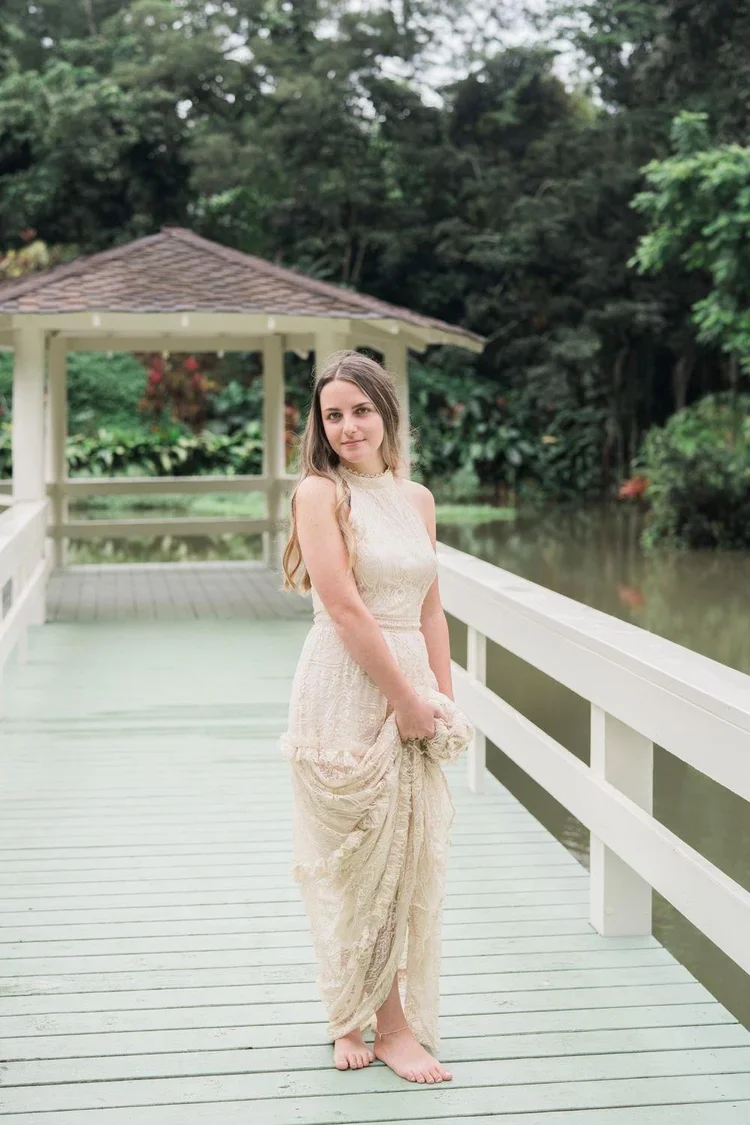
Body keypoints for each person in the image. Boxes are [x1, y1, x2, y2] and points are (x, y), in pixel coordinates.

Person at [280, 350, 472, 1084]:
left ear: (387, 414)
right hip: (348, 681)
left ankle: (370, 1013)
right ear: (321, 426)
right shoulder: (318, 494)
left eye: (361, 410)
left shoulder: (415, 497)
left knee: (407, 853)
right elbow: (343, 605)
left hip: (412, 682)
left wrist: (439, 698)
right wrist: (402, 697)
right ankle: (372, 1022)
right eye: (334, 414)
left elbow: (429, 605)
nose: (348, 426)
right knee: (360, 859)